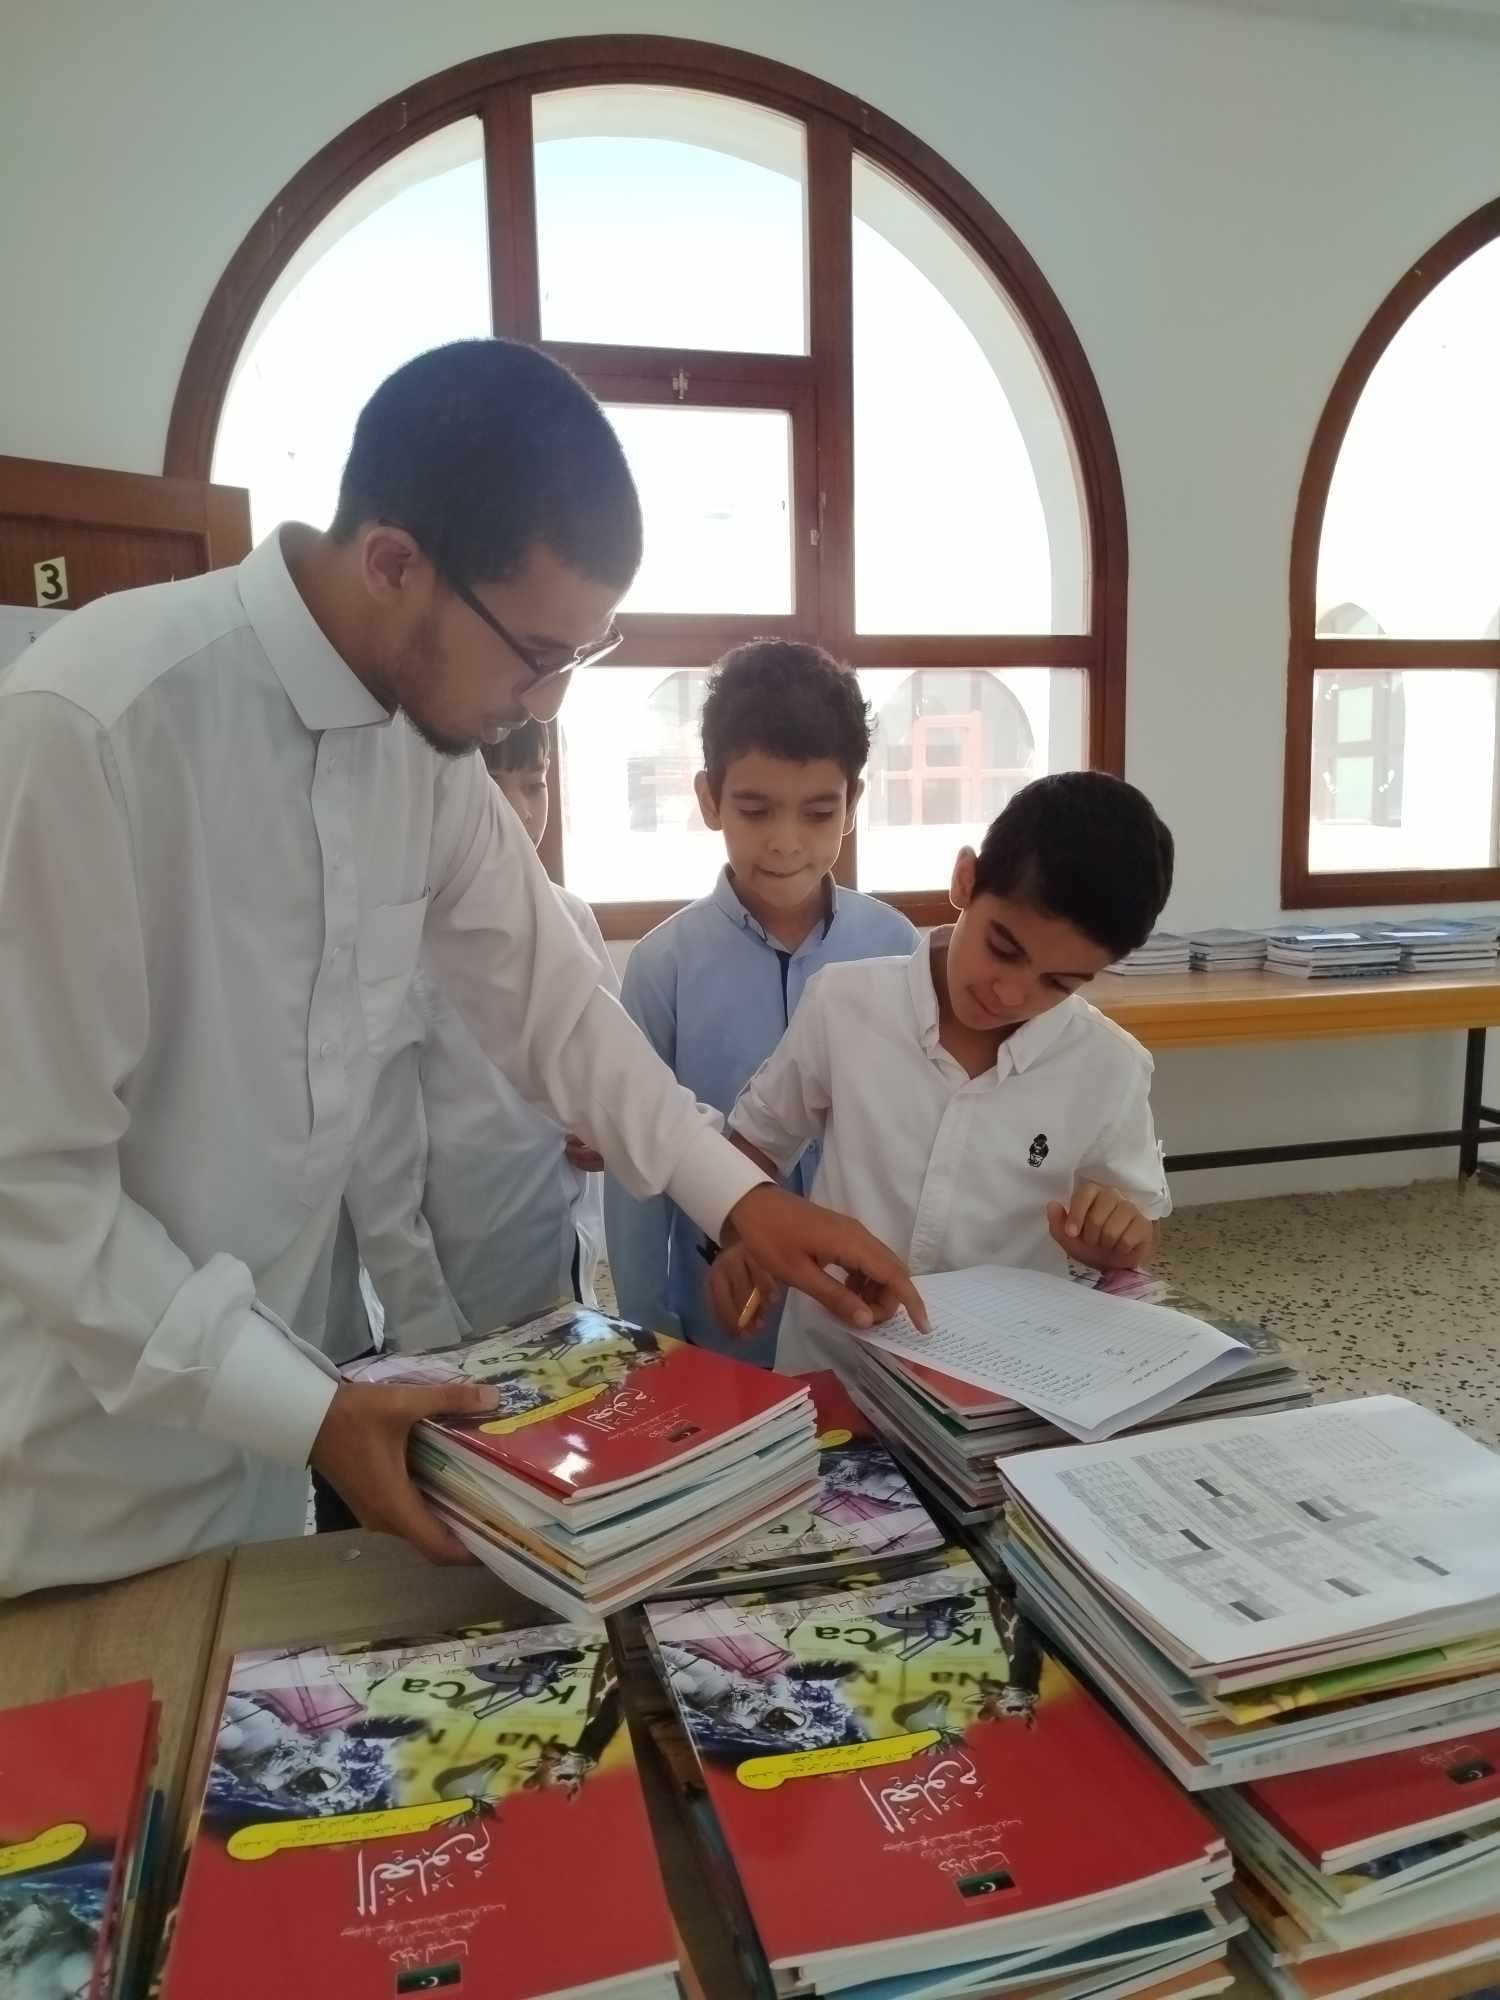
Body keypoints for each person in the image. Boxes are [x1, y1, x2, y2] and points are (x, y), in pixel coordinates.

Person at [0, 338, 922, 1599]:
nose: (545, 708)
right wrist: (309, 1409)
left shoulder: (421, 758)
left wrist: (741, 1198)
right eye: (538, 652)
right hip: (66, 1481)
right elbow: (31, 1189)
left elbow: (562, 1012)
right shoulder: (91, 730)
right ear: (394, 562)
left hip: (272, 1444)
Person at [711, 772, 1175, 1369]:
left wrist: (1117, 1242)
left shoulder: (1109, 1067)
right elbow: (753, 1144)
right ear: (964, 881)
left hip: (1004, 1380)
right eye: (1003, 949)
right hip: (836, 1360)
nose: (1011, 993)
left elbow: (1136, 1232)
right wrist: (741, 1238)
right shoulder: (846, 1005)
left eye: (1058, 983)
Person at [604, 642, 916, 1364]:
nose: (785, 843)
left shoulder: (895, 945)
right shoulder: (663, 966)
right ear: (710, 799)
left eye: (817, 812)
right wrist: (653, 1331)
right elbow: (636, 1169)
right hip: (722, 1308)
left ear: (853, 805)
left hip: (864, 1308)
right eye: (755, 809)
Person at [331, 719, 614, 1369]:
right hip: (457, 1298)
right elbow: (380, 1177)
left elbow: (611, 1074)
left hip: (566, 1266)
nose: (516, 811)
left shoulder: (570, 919)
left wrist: (605, 1134)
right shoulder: (402, 944)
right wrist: (431, 1332)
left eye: (534, 785)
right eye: (491, 787)